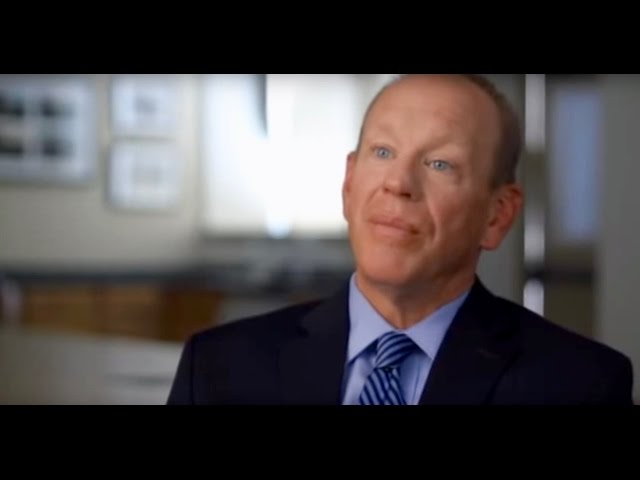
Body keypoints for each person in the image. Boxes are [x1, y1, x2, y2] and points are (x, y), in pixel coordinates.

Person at [167, 74, 634, 405]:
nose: (398, 182)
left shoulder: (579, 385)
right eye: (383, 151)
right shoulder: (218, 366)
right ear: (349, 184)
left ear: (497, 215)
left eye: (440, 164)